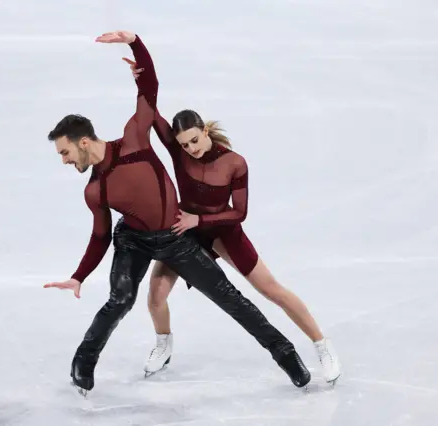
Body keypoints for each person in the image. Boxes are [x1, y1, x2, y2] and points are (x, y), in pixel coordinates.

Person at [43, 30, 311, 395]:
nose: (64, 160)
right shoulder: (95, 189)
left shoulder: (135, 138)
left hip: (175, 237)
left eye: (64, 152)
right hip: (132, 239)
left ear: (83, 142)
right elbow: (101, 235)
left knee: (231, 299)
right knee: (120, 300)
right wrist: (78, 276)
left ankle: (287, 355)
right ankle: (82, 365)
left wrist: (135, 41)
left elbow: (149, 90)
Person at [122, 58, 341, 384]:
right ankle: (163, 344)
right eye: (183, 145)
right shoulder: (179, 150)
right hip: (188, 230)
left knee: (272, 291)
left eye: (194, 140)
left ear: (206, 130)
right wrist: (142, 76)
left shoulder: (234, 163)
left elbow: (239, 212)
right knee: (155, 295)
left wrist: (199, 219)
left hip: (223, 231)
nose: (190, 149)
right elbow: (151, 111)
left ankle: (321, 345)